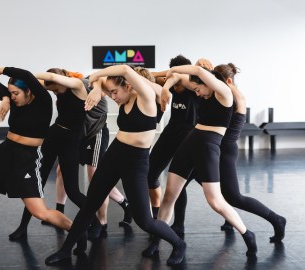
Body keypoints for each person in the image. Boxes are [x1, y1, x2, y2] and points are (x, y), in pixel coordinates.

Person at [45, 64, 186, 266]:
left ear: (129, 86)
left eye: (114, 92)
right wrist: (95, 87)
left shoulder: (146, 98)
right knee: (90, 204)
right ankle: (66, 250)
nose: (112, 96)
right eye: (109, 92)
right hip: (116, 152)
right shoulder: (123, 96)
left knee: (144, 220)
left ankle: (178, 243)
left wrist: (99, 77)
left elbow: (125, 70)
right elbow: (95, 80)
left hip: (136, 161)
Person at [0, 66, 85, 257]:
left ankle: (79, 232)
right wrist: (4, 97)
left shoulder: (44, 101)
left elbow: (27, 75)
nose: (13, 97)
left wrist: (3, 69)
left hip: (27, 158)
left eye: (15, 93)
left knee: (41, 212)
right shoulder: (13, 99)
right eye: (10, 93)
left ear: (29, 91)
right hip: (4, 153)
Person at [170, 62, 286, 242]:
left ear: (228, 81)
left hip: (223, 150)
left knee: (234, 197)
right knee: (178, 187)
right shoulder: (212, 92)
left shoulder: (236, 97)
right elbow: (189, 81)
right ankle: (178, 225)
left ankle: (276, 219)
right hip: (204, 147)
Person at [157, 64, 258, 257]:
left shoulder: (224, 93)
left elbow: (199, 72)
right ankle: (158, 240)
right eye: (194, 90)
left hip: (209, 147)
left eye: (198, 89)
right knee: (170, 194)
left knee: (216, 201)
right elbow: (179, 77)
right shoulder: (204, 89)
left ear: (209, 82)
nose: (197, 94)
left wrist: (176, 69)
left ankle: (247, 234)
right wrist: (168, 81)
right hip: (190, 142)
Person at [44, 71, 132, 237]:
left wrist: (98, 88)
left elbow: (97, 80)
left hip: (95, 134)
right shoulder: (64, 91)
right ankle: (59, 210)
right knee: (61, 171)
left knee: (96, 177)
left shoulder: (84, 86)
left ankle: (106, 219)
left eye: (56, 90)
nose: (56, 93)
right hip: (78, 136)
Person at [8, 68, 91, 240]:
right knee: (37, 183)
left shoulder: (77, 86)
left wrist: (24, 74)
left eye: (55, 89)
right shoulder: (55, 86)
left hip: (71, 141)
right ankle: (23, 227)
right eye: (51, 90)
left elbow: (51, 77)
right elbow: (31, 86)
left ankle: (95, 222)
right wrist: (6, 97)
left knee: (73, 190)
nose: (54, 92)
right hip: (53, 136)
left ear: (61, 80)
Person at [146, 55, 200, 223]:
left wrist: (166, 82)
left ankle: (178, 225)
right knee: (150, 173)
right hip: (172, 131)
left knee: (178, 182)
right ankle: (156, 214)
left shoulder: (193, 84)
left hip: (189, 135)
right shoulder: (170, 80)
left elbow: (177, 76)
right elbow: (154, 78)